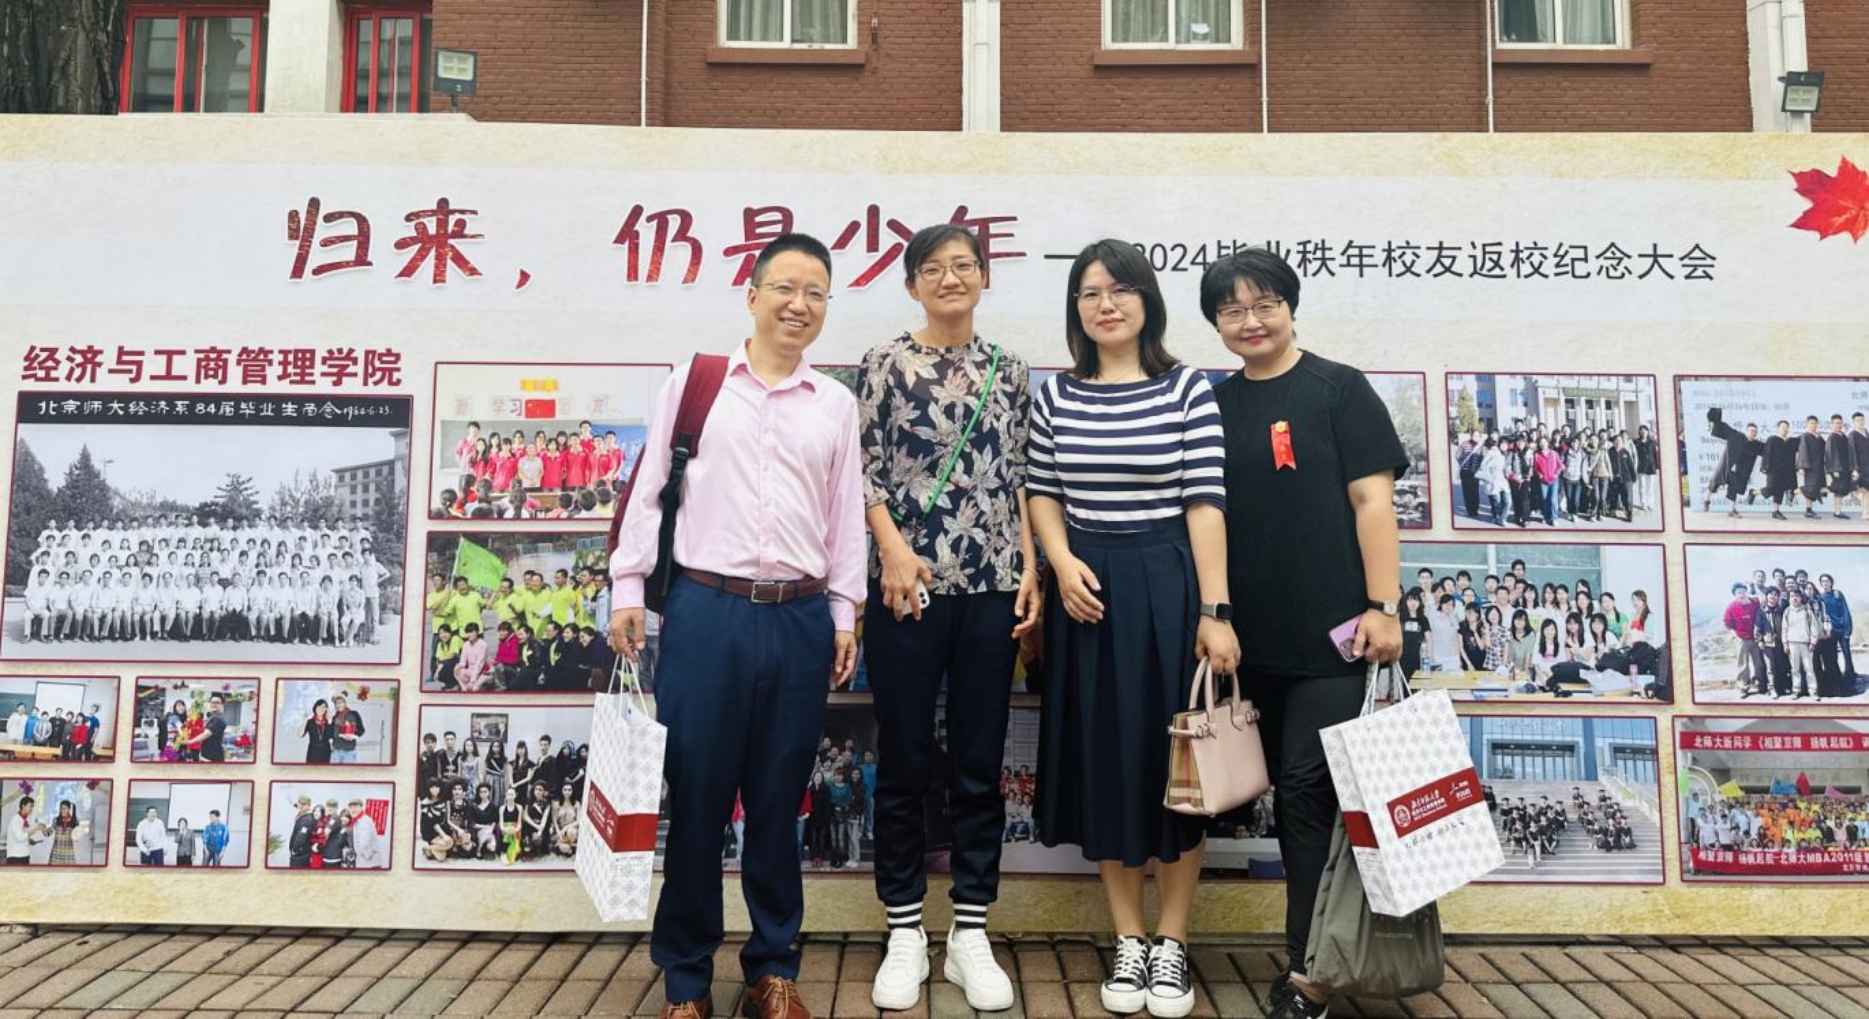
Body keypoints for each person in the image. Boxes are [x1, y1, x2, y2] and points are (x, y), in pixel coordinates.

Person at [609, 233, 863, 1019]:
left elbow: (844, 515)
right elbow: (649, 488)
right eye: (784, 286)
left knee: (779, 800)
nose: (798, 303)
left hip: (798, 618)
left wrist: (844, 611)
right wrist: (626, 585)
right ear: (751, 295)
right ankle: (685, 980)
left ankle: (772, 969)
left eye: (815, 291)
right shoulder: (697, 383)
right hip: (705, 612)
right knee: (698, 796)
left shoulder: (834, 404)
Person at [1026, 240, 1237, 1019]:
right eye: (1088, 293)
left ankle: (1172, 940)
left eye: (1119, 289)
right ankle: (1128, 939)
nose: (1104, 304)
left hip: (1168, 589)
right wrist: (1060, 562)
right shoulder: (1057, 393)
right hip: (1087, 593)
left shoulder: (1186, 387)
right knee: (1106, 763)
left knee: (1180, 771)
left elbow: (1204, 501)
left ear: (1146, 299)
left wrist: (1214, 611)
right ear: (1074, 309)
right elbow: (1041, 488)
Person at [1200, 248, 1409, 1019]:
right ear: (1216, 323)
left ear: (1289, 307)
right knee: (1274, 802)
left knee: (1306, 789)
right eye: (1231, 310)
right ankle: (1323, 954)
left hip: (1338, 640)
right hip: (1246, 645)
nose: (1249, 321)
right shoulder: (1213, 405)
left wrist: (1383, 604)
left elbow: (1372, 503)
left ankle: (1308, 973)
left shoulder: (1338, 389)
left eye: (1264, 304)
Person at [853, 224, 1038, 1013]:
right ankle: (903, 927)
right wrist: (893, 551)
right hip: (906, 588)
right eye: (933, 268)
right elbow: (863, 470)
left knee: (977, 758)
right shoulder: (883, 362)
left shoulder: (1012, 369)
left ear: (984, 277)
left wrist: (1029, 566)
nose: (950, 277)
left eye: (964, 265)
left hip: (992, 586)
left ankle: (968, 929)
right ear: (911, 285)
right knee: (902, 758)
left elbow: (1022, 476)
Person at [1723, 584, 1767, 697]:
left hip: (1755, 638)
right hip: (1741, 638)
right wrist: (1733, 634)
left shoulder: (1755, 602)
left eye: (1743, 591)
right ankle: (1743, 686)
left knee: (1759, 663)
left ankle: (1761, 684)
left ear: (1747, 591)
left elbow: (1763, 600)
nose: (1742, 594)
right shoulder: (1732, 606)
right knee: (1743, 664)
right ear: (1735, 595)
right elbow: (1727, 622)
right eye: (1739, 593)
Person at [6, 795, 43, 865]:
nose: (32, 808)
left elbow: (23, 836)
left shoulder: (24, 820)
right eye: (30, 806)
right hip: (16, 856)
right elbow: (20, 838)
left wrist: (29, 840)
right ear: (23, 806)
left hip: (24, 855)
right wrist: (36, 829)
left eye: (33, 806)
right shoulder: (16, 819)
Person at [301, 699, 334, 764]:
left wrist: (330, 722)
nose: (321, 708)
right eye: (319, 706)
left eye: (323, 707)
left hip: (326, 752)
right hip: (313, 752)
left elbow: (331, 736)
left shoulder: (328, 721)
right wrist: (305, 720)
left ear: (326, 709)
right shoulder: (310, 721)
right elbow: (300, 734)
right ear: (315, 708)